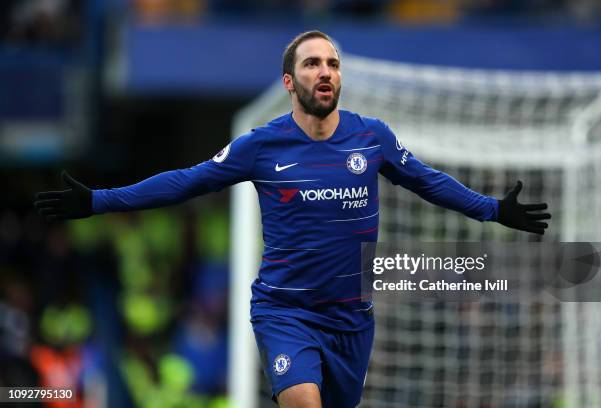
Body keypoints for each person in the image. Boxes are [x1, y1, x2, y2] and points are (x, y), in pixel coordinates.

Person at [34, 30, 551, 408]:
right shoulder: (262, 145)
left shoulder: (372, 137)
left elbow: (428, 180)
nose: (325, 71)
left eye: (332, 63)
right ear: (290, 81)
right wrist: (100, 200)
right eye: (311, 64)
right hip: (287, 312)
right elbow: (186, 181)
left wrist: (494, 210)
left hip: (352, 319)